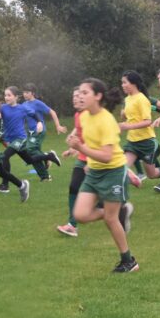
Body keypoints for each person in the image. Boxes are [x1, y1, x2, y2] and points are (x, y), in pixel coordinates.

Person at [67, 79, 137, 273]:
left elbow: (107, 156)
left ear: (97, 96)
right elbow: (90, 142)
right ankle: (119, 211)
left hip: (113, 172)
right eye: (79, 92)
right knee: (80, 214)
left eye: (84, 92)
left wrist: (80, 148)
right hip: (94, 172)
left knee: (110, 219)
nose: (80, 96)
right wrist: (76, 147)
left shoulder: (107, 120)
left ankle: (128, 261)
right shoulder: (83, 117)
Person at [0, 86, 60, 194]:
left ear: (16, 97)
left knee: (4, 157)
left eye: (9, 95)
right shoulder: (3, 107)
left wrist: (39, 122)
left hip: (20, 139)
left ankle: (5, 185)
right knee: (29, 160)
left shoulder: (22, 108)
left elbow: (34, 115)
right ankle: (49, 156)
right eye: (5, 95)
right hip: (11, 139)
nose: (6, 97)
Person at [119, 71, 160, 185]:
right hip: (132, 141)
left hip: (146, 141)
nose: (122, 85)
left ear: (134, 83)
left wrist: (128, 126)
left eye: (124, 82)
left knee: (151, 174)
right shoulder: (128, 99)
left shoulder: (142, 99)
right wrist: (123, 116)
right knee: (120, 167)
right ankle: (132, 181)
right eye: (121, 83)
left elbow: (147, 121)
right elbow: (132, 117)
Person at [57, 87, 88, 236]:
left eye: (79, 96)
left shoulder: (91, 116)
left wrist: (78, 150)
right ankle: (72, 225)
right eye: (74, 96)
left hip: (97, 160)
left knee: (100, 195)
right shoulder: (78, 115)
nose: (75, 99)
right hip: (83, 159)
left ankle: (121, 209)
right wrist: (72, 150)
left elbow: (95, 140)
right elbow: (81, 137)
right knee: (74, 187)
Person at [22, 84, 67, 182]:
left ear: (33, 93)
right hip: (29, 132)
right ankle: (45, 176)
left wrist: (58, 126)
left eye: (27, 92)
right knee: (33, 156)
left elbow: (52, 112)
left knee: (30, 150)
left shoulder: (38, 103)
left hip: (39, 131)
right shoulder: (24, 104)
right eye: (24, 92)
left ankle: (49, 156)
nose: (25, 94)